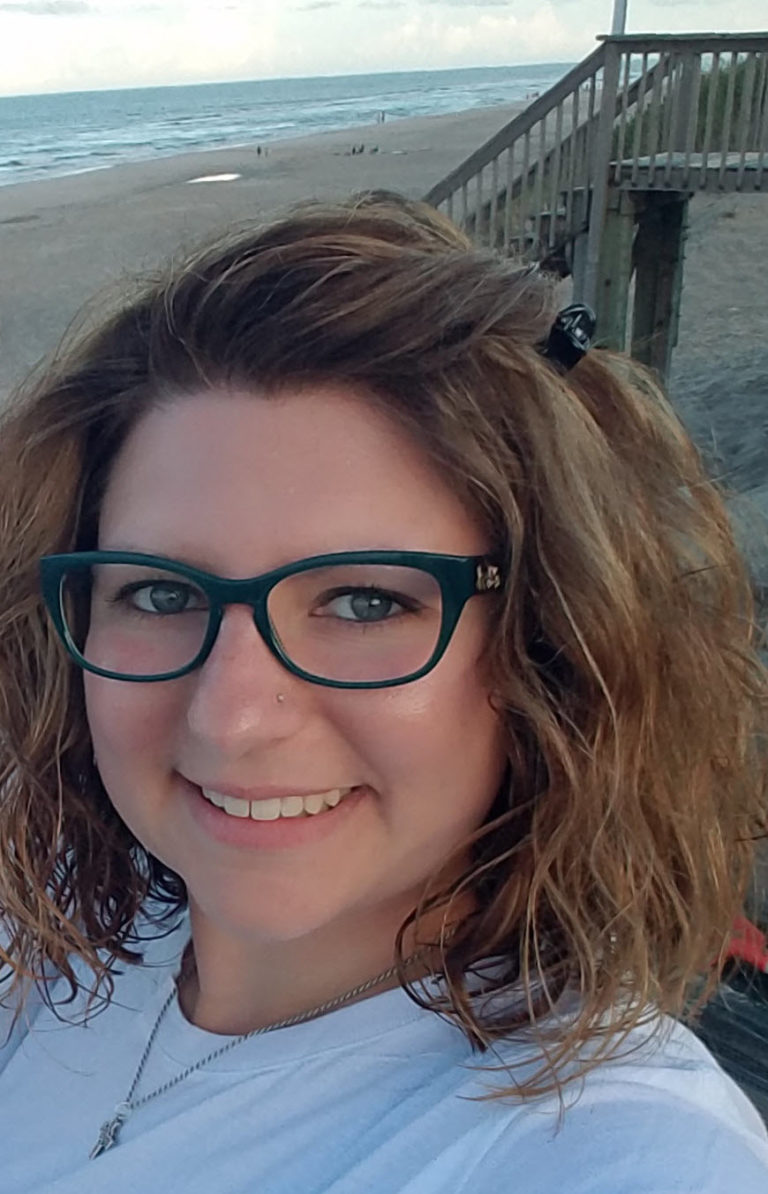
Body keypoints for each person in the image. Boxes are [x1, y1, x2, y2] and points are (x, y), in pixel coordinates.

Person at [0, 191, 766, 1194]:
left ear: (548, 644)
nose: (231, 718)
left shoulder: (616, 1150)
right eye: (159, 591)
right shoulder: (53, 939)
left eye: (364, 602)